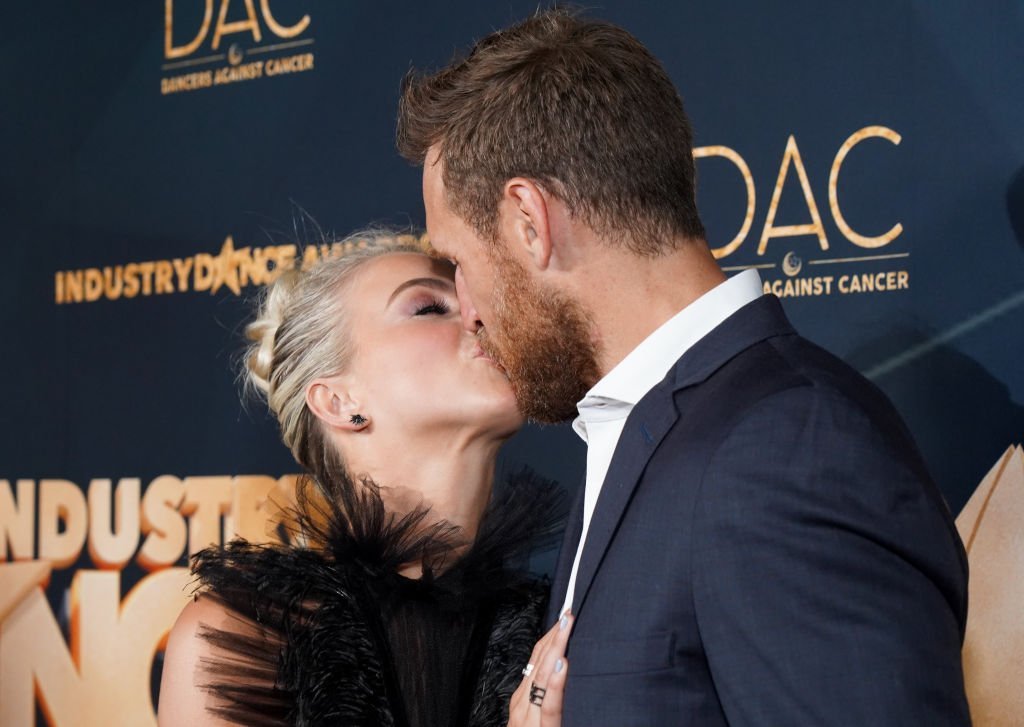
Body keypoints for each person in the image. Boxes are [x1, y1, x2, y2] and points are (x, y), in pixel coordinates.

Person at [398, 8, 971, 725]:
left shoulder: (787, 450)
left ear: (527, 221)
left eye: (457, 261)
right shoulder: (646, 428)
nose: (467, 306)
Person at [158, 233, 571, 727]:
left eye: (471, 298)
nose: (478, 315)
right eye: (427, 307)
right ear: (338, 402)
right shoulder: (249, 632)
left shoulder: (556, 621)